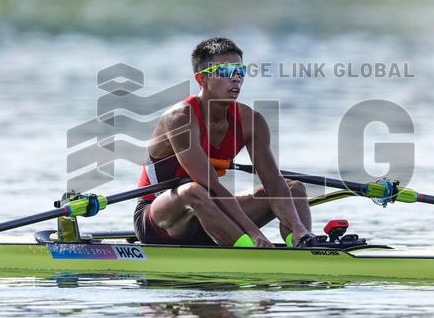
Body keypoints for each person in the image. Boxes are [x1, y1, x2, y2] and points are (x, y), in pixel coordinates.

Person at [134, 37, 315, 248]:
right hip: (162, 220)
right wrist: (253, 231)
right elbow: (209, 185)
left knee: (293, 188)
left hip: (212, 215)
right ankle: (248, 248)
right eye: (226, 71)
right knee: (194, 191)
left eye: (240, 71)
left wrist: (297, 225)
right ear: (202, 79)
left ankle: (303, 243)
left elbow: (273, 181)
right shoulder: (180, 118)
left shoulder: (251, 121)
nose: (236, 78)